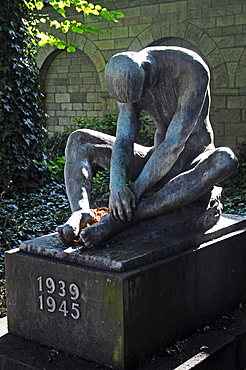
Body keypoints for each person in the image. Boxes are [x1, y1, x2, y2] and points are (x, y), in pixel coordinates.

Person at [56, 46, 238, 248]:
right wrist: (116, 186)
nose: (142, 97)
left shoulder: (191, 68)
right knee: (80, 140)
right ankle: (81, 212)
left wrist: (133, 192)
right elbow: (124, 137)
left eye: (142, 92)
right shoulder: (126, 78)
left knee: (225, 159)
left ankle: (120, 221)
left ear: (148, 69)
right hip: (154, 158)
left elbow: (175, 143)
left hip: (194, 158)